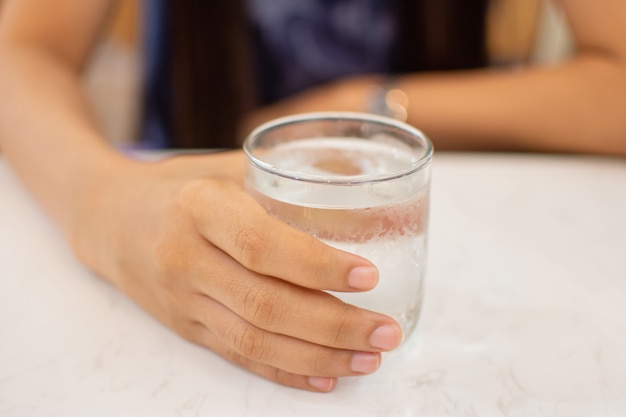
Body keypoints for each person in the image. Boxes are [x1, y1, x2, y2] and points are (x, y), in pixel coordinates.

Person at [0, 0, 625, 393]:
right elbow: (19, 52)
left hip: (416, 226)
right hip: (186, 220)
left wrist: (370, 105)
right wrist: (103, 203)